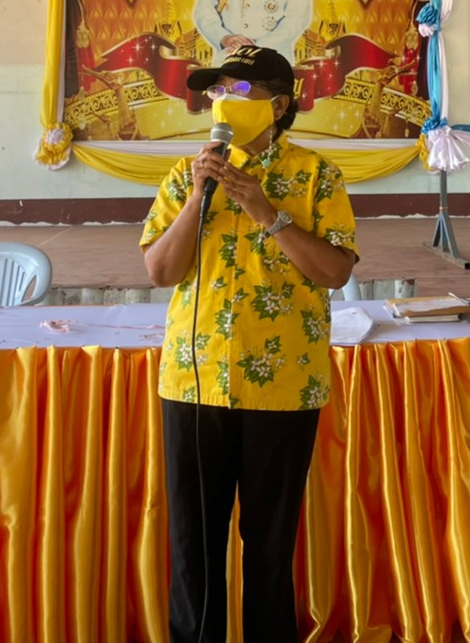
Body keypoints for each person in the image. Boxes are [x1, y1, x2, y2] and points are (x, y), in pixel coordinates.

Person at [140, 45, 358, 643]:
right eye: (215, 91)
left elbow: (335, 272)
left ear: (279, 105)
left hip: (283, 386)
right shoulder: (184, 175)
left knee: (269, 551)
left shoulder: (317, 175)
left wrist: (267, 212)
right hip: (195, 382)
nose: (221, 101)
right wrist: (197, 197)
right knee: (194, 552)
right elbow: (160, 271)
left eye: (238, 91)